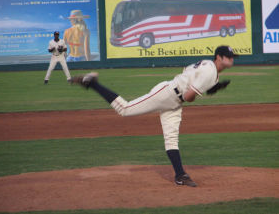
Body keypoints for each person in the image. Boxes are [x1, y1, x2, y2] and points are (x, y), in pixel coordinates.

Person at [70, 45, 237, 187]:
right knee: (125, 109)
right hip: (166, 94)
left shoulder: (208, 66)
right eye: (228, 57)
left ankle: (180, 175)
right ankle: (92, 83)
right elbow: (188, 97)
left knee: (171, 138)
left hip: (174, 102)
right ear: (219, 57)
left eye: (232, 57)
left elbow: (186, 72)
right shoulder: (210, 72)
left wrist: (213, 87)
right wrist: (201, 92)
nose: (232, 59)